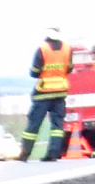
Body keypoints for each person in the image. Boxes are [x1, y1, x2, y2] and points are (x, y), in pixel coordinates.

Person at [24, 31, 72, 160]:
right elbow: (69, 68)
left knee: (34, 124)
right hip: (60, 92)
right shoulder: (67, 49)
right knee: (57, 126)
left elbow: (34, 72)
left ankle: (25, 154)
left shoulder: (42, 49)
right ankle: (53, 154)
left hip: (43, 93)